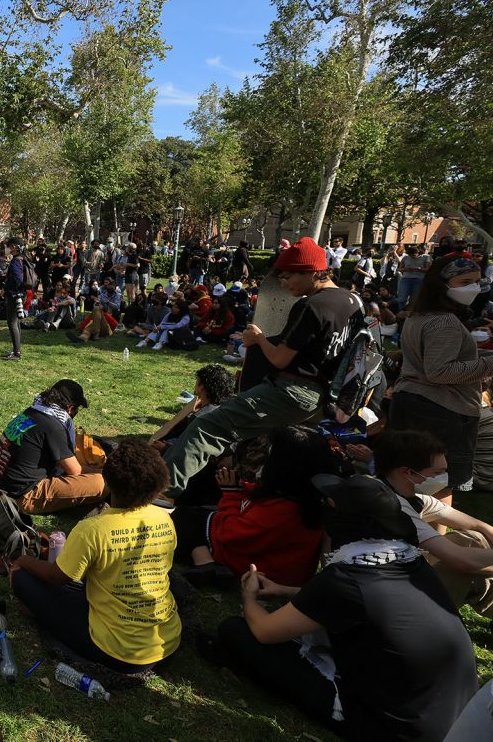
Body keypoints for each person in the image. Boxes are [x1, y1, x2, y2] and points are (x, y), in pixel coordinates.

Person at [215, 473, 477, 741]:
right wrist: (284, 590)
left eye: (331, 504)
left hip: (395, 730)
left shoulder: (347, 578)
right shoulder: (407, 559)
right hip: (451, 716)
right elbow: (354, 604)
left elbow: (264, 631)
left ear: (346, 521)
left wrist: (248, 597)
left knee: (236, 632)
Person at [163, 237, 361, 496]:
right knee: (284, 452)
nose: (284, 283)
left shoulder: (311, 305)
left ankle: (160, 492)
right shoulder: (354, 302)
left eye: (289, 276)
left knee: (208, 426)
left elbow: (279, 359)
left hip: (291, 391)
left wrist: (256, 339)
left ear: (313, 272)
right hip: (323, 398)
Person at [9, 439, 181, 674]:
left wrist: (22, 561)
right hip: (167, 644)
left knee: (22, 578)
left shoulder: (93, 528)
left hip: (119, 653)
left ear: (108, 482)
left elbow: (58, 577)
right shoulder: (164, 519)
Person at [171, 425, 336, 588]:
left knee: (184, 519)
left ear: (283, 467)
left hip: (257, 570)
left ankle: (207, 564)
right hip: (272, 565)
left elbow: (231, 534)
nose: (265, 457)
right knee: (200, 510)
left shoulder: (282, 511)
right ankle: (207, 563)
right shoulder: (306, 498)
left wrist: (232, 495)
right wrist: (241, 487)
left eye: (271, 454)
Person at [390, 254, 493, 496]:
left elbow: (438, 359)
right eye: (464, 281)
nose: (474, 288)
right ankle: (418, 529)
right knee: (437, 484)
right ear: (441, 284)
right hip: (440, 410)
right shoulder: (443, 321)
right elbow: (440, 371)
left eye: (477, 281)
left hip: (416, 402)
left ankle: (430, 530)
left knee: (417, 481)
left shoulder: (421, 315)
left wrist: (482, 358)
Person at [372, 430, 493, 605]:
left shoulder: (412, 498)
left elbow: (478, 525)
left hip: (398, 572)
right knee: (463, 565)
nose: (443, 478)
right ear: (408, 472)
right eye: (437, 472)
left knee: (475, 539)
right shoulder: (393, 509)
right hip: (383, 592)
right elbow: (461, 560)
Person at [0, 379, 106, 513]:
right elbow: (76, 471)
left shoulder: (34, 411)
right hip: (24, 496)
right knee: (100, 483)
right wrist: (107, 473)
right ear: (70, 409)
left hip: (4, 485)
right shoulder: (53, 426)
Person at [4, 241, 27, 360]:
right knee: (16, 322)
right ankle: (16, 349)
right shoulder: (23, 258)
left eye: (8, 246)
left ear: (14, 247)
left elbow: (18, 279)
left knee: (12, 322)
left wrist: (12, 289)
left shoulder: (15, 261)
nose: (7, 248)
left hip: (15, 295)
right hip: (20, 294)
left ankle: (16, 352)